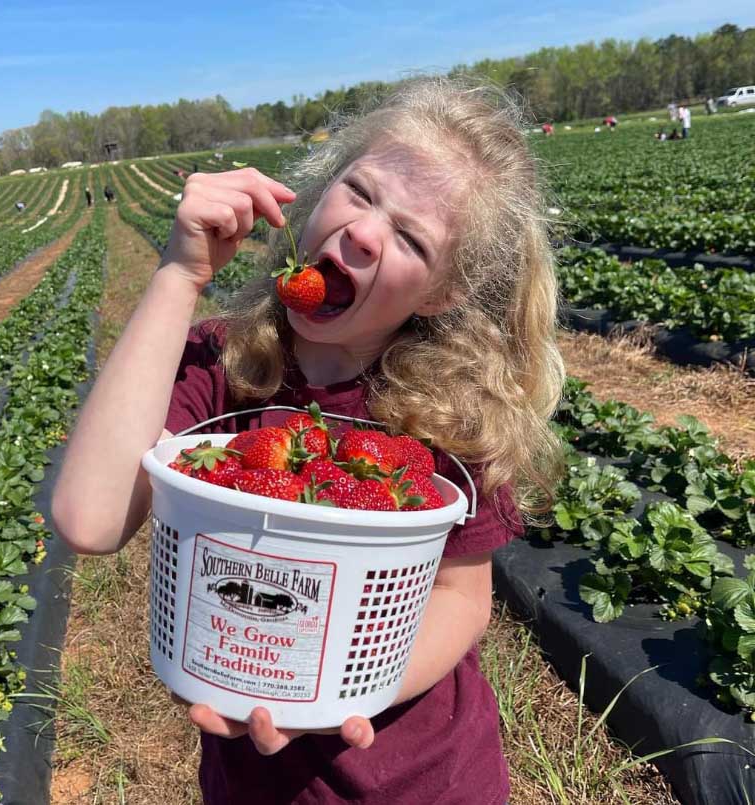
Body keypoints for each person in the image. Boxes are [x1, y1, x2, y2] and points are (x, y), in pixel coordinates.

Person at [52, 76, 565, 805]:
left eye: (411, 237)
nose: (362, 231)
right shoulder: (222, 368)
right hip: (255, 783)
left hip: (421, 779)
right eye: (360, 190)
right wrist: (179, 274)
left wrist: (340, 693)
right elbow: (90, 517)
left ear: (440, 293)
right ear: (320, 192)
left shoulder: (457, 410)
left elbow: (463, 595)